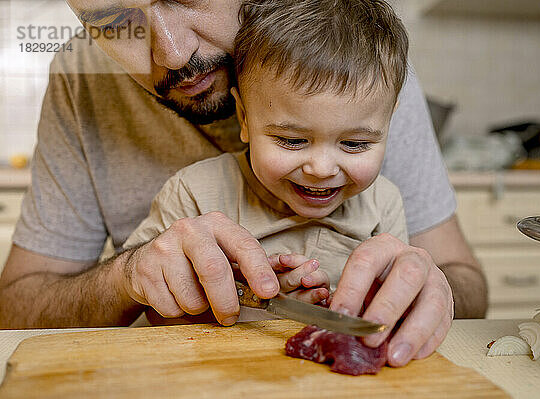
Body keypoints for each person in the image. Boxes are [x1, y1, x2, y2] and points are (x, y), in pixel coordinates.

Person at [0, 0, 487, 368]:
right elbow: (15, 310)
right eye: (112, 23)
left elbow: (464, 280)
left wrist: (431, 290)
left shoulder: (354, 56)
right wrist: (128, 277)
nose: (171, 53)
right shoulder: (82, 74)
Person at [123, 0, 412, 326]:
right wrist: (248, 308)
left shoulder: (384, 204)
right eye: (292, 140)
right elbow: (152, 313)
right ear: (244, 118)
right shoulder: (192, 193)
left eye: (355, 144)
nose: (321, 169)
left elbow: (394, 310)